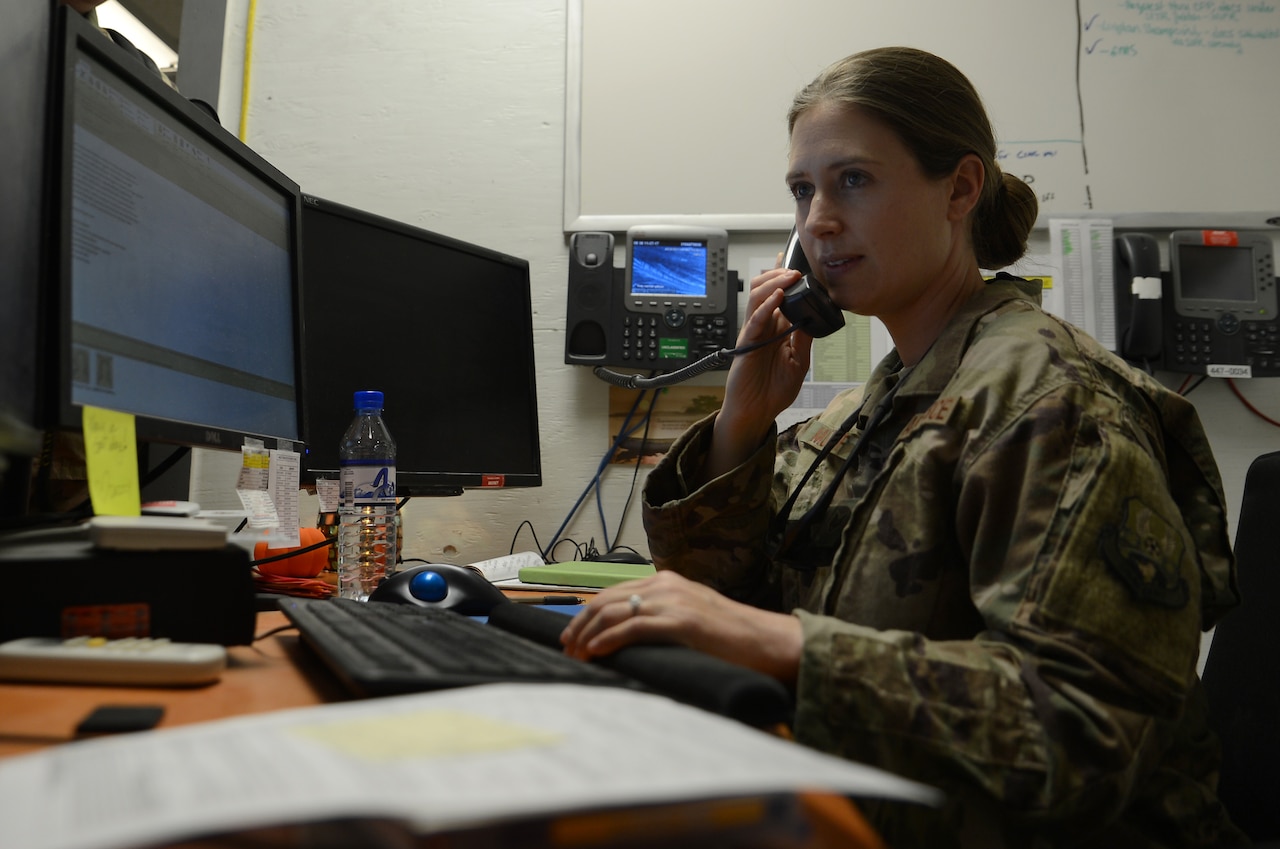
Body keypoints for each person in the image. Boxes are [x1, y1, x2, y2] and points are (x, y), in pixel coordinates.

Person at [560, 47, 1244, 847]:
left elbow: (1083, 737)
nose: (816, 220)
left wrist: (785, 644)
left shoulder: (1056, 403)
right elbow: (713, 595)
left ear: (959, 188)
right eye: (802, 189)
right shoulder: (874, 403)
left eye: (853, 179)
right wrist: (740, 424)